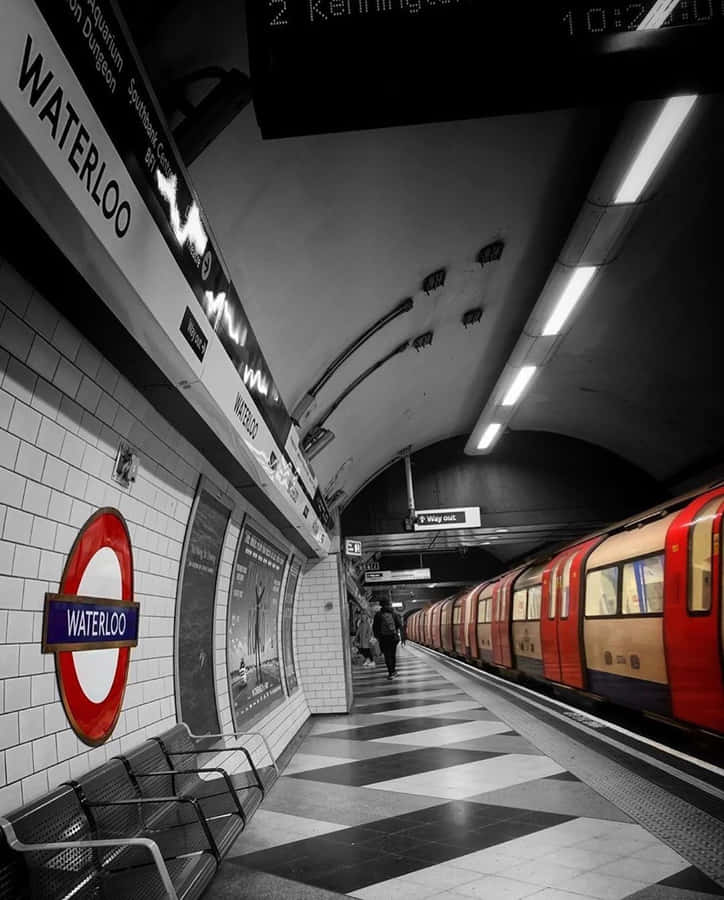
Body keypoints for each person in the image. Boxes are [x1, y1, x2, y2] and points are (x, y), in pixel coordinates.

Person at [373, 599, 404, 679]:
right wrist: (399, 635)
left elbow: (375, 627)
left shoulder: (378, 615)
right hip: (393, 638)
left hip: (383, 638)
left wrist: (378, 637)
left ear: (381, 605)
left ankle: (390, 672)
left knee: (387, 655)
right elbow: (399, 625)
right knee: (392, 655)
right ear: (389, 605)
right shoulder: (394, 614)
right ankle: (393, 671)